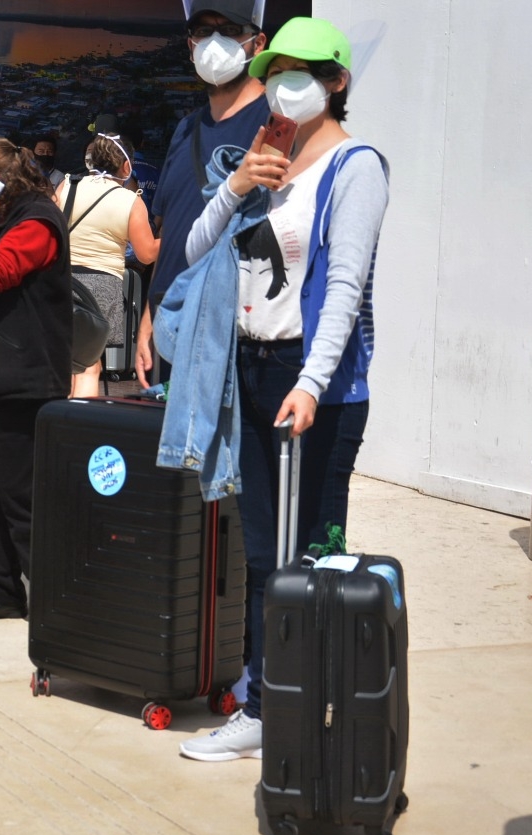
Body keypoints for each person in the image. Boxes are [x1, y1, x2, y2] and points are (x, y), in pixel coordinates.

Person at [174, 17, 389, 760]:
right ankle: (268, 697)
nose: (287, 81)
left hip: (317, 384)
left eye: (306, 69)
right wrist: (236, 185)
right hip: (253, 371)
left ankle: (308, 703)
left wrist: (312, 380)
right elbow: (193, 251)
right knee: (264, 551)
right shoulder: (265, 157)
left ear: (337, 83)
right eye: (278, 67)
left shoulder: (355, 166)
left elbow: (345, 290)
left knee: (316, 553)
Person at [0, 138, 72, 621]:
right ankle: (2, 586)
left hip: (21, 382)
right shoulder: (6, 220)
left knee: (22, 498)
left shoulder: (36, 221)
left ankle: (48, 597)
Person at [135, 0, 268, 388]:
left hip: (233, 332)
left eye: (228, 31)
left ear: (258, 43)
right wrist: (149, 315)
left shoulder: (274, 125)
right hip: (173, 324)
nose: (214, 42)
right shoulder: (185, 130)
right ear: (190, 44)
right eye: (203, 31)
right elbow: (169, 231)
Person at [55, 132, 159, 397]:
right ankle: (77, 430)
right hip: (101, 285)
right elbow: (146, 254)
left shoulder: (67, 186)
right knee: (89, 364)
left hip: (60, 280)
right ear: (126, 166)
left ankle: (54, 420)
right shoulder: (129, 201)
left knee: (61, 360)